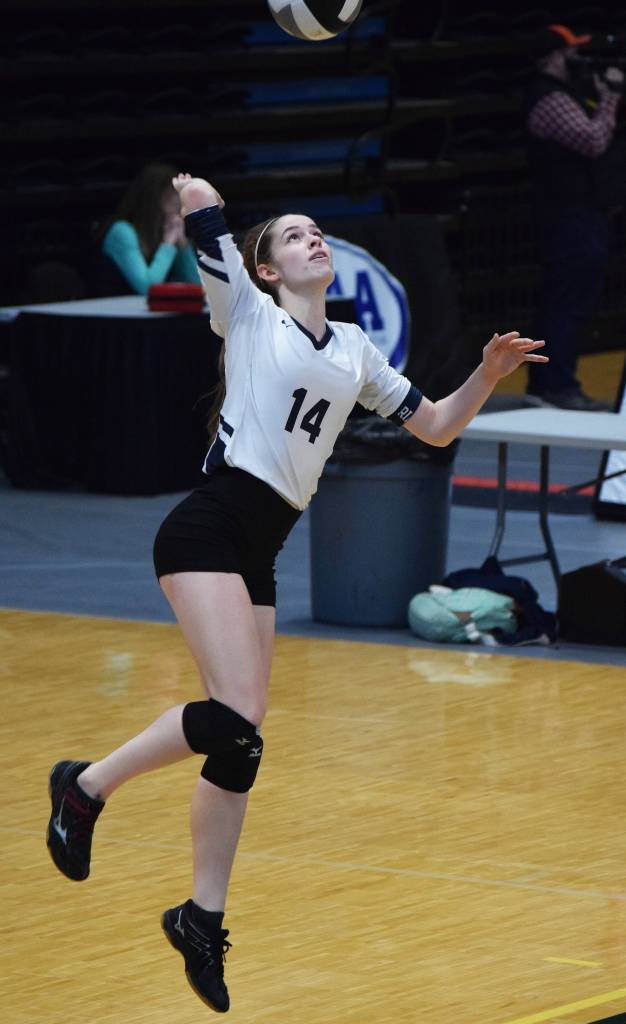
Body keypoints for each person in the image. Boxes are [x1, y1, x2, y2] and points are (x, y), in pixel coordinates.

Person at [46, 172, 548, 1014]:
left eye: (319, 231)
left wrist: (488, 373)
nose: (314, 239)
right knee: (236, 716)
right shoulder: (246, 312)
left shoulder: (352, 348)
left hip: (263, 545)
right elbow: (210, 230)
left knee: (239, 741)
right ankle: (86, 787)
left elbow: (433, 426)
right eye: (294, 235)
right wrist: (202, 195)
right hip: (208, 527)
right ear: (269, 270)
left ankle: (199, 918)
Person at [524, 23, 624, 410]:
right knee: (565, 302)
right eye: (570, 52)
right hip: (568, 217)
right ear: (552, 57)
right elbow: (593, 140)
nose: (577, 59)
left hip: (587, 215)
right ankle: (554, 385)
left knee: (574, 302)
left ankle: (554, 381)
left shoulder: (573, 92)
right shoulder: (549, 99)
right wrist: (612, 95)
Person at [98, 162, 200, 295]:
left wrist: (182, 243)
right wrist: (168, 244)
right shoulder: (122, 232)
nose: (179, 201)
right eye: (172, 193)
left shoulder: (165, 230)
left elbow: (197, 285)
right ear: (153, 196)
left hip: (154, 313)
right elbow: (148, 288)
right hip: (114, 312)